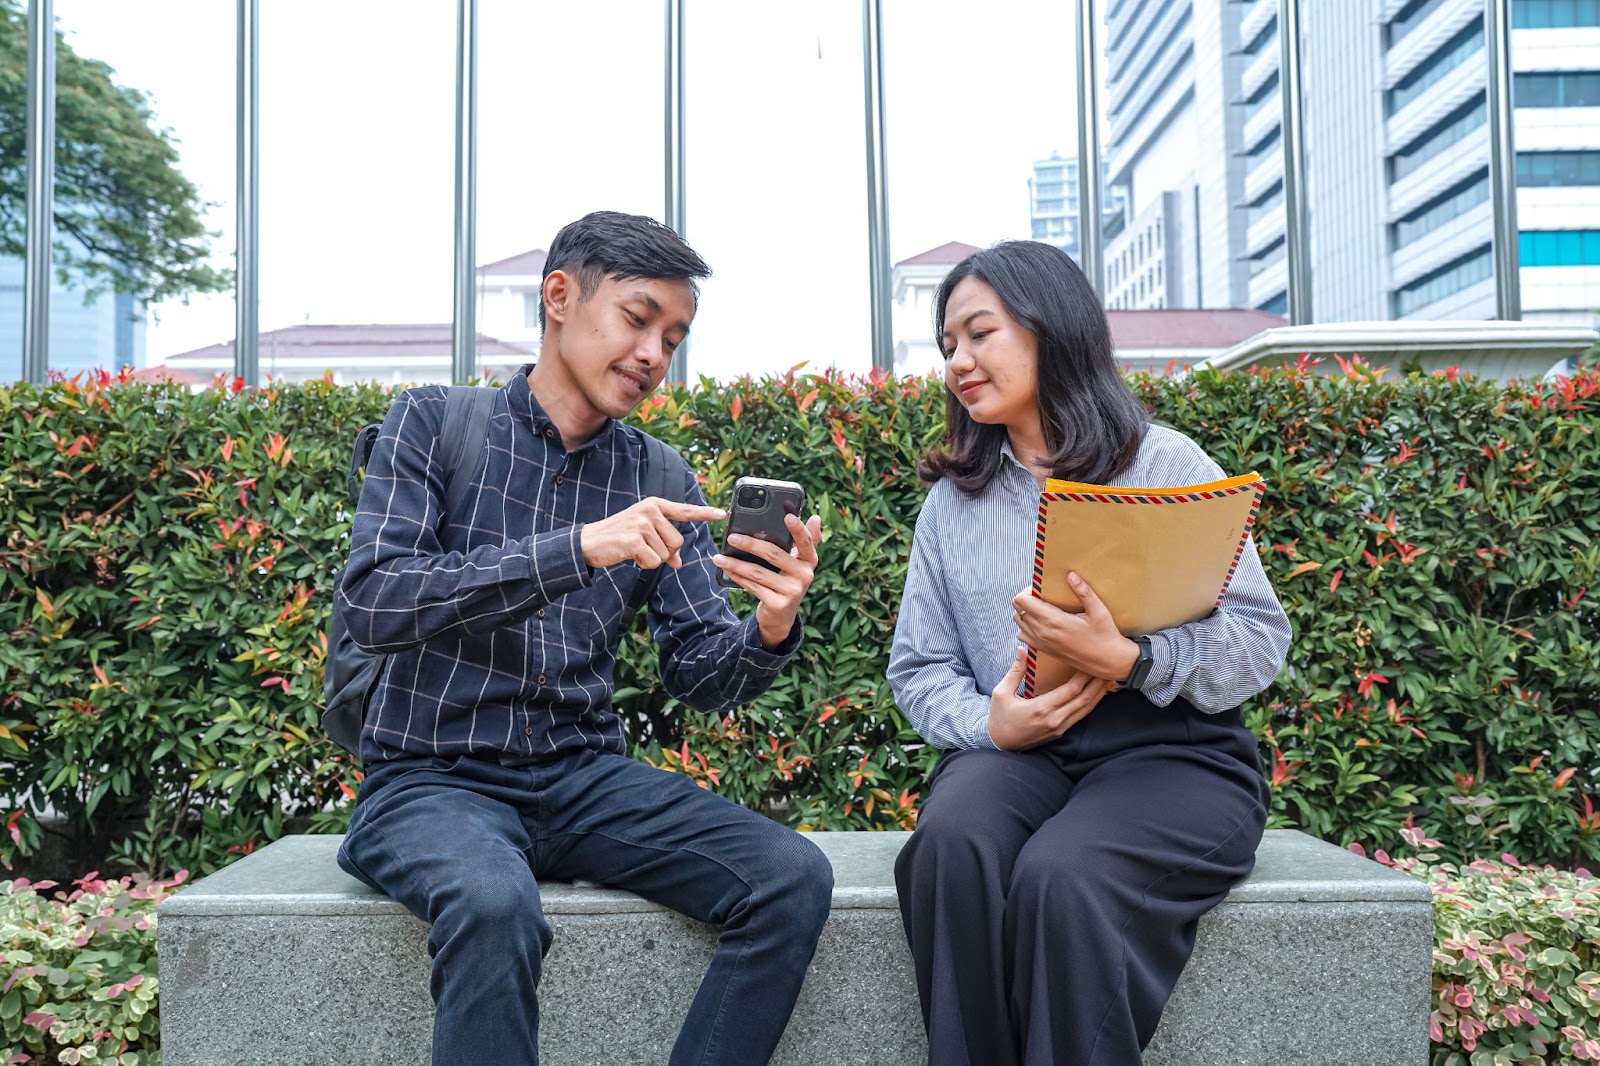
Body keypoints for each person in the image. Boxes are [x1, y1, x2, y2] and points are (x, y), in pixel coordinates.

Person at [334, 210, 834, 1066]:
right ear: (559, 297)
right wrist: (578, 549)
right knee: (494, 903)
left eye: (673, 338)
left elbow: (697, 672)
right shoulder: (431, 423)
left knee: (791, 877)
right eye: (638, 319)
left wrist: (770, 623)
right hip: (428, 779)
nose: (653, 355)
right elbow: (378, 600)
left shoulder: (657, 475)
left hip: (577, 778)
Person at [888, 241, 1291, 1066]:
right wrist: (992, 723)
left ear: (1051, 328)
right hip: (1018, 751)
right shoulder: (951, 504)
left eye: (979, 334)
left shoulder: (1165, 464)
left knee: (1062, 879)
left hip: (1173, 755)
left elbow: (1260, 639)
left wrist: (1133, 657)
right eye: (947, 346)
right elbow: (918, 667)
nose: (959, 361)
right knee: (949, 846)